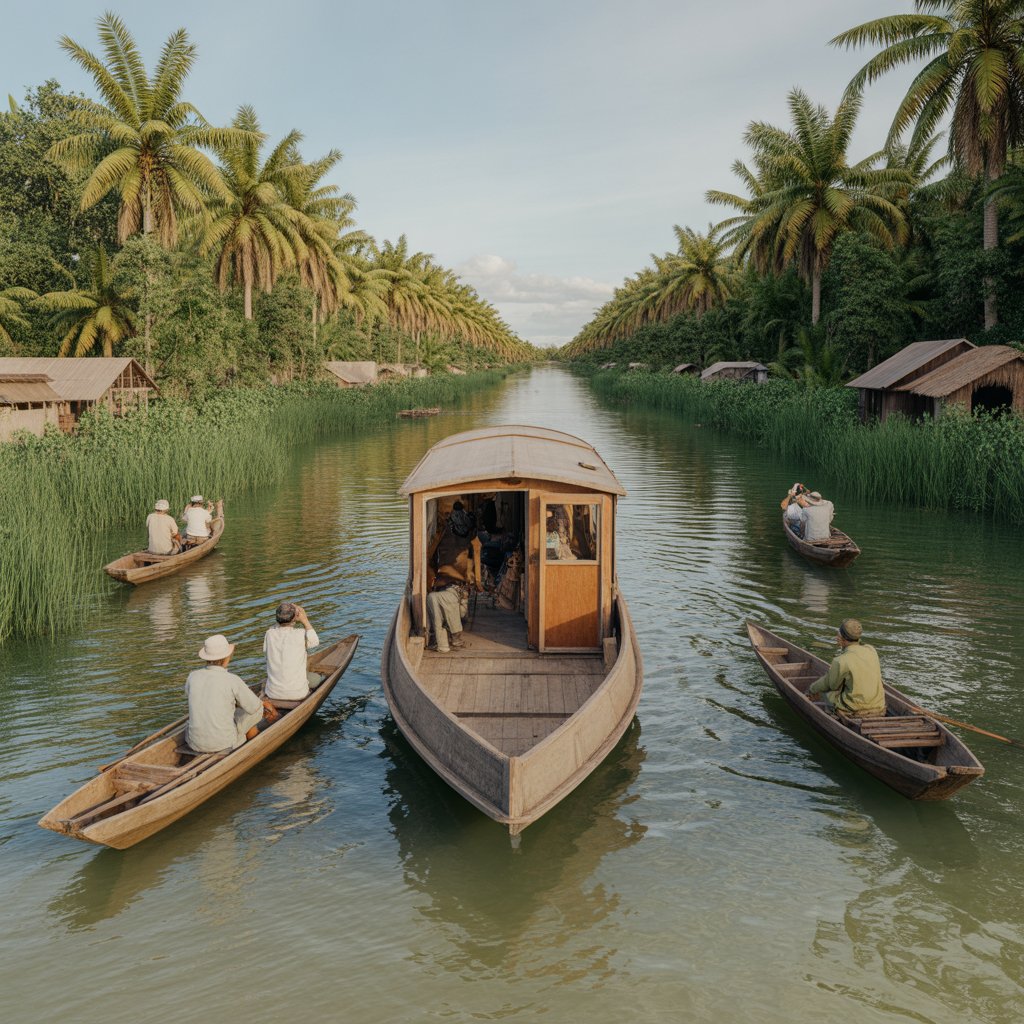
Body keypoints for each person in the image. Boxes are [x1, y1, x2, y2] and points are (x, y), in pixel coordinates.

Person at [185, 634, 264, 751]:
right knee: (258, 709)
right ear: (227, 657)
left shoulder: (192, 676)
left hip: (194, 743)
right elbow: (254, 707)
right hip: (225, 743)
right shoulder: (232, 679)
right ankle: (253, 743)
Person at [807, 618, 886, 717]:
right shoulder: (871, 650)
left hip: (854, 708)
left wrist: (811, 689)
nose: (836, 637)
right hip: (879, 705)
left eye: (838, 634)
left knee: (825, 694)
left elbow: (831, 685)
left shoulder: (841, 660)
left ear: (842, 638)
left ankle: (832, 715)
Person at [264, 602, 322, 701]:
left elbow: (276, 627)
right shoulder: (300, 634)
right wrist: (305, 620)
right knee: (317, 678)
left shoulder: (269, 634)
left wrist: (284, 618)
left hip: (272, 693)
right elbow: (315, 642)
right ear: (295, 618)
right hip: (298, 694)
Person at [427, 572, 465, 652]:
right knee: (442, 619)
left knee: (437, 620)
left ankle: (443, 645)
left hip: (449, 593)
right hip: (451, 593)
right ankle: (447, 643)